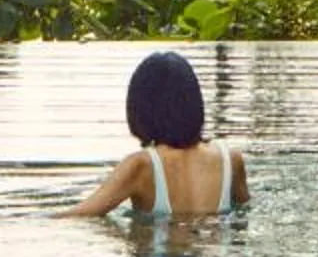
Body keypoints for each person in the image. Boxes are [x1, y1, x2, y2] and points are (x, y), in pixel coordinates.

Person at [62, 51, 249, 218]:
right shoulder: (231, 160)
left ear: (140, 108)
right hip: (214, 244)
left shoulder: (141, 165)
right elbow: (244, 212)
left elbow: (82, 214)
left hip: (158, 245)